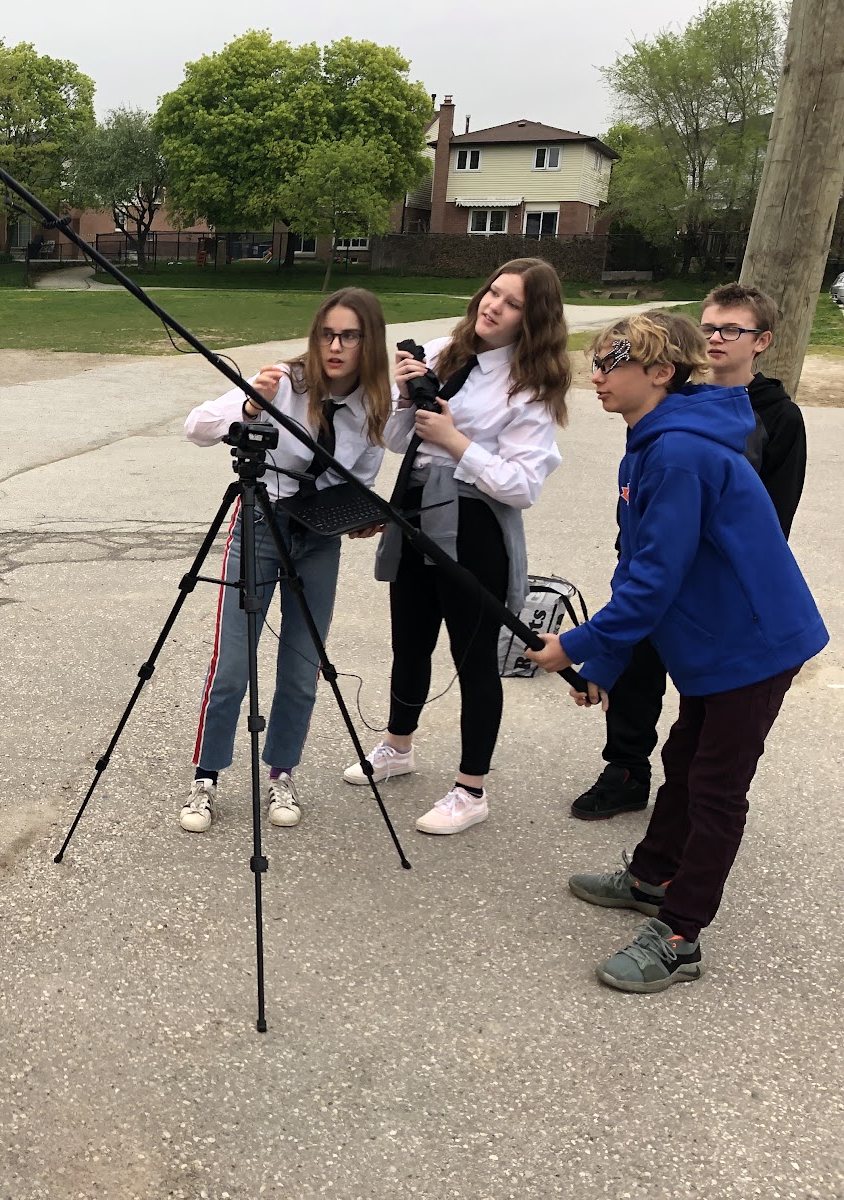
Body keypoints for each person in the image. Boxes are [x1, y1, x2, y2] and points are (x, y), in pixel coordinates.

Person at [527, 313, 826, 992]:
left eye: (612, 363)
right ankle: (651, 877)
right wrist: (602, 664)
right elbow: (638, 567)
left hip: (754, 645)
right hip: (714, 643)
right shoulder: (650, 443)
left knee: (717, 788)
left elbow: (654, 583)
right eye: (595, 361)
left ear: (661, 372)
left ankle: (682, 935)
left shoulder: (680, 454)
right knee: (683, 761)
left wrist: (574, 645)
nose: (595, 376)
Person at [345, 258, 570, 835]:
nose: (493, 306)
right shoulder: (445, 351)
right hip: (417, 508)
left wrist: (455, 440)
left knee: (473, 659)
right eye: (493, 292)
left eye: (513, 303)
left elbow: (523, 486)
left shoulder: (531, 385)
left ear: (534, 319)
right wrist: (404, 397)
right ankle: (398, 746)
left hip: (473, 525)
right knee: (410, 641)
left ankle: (471, 789)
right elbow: (400, 441)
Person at [570, 283, 809, 819]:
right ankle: (626, 768)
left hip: (710, 589)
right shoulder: (663, 416)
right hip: (656, 567)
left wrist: (574, 644)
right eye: (709, 327)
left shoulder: (769, 418)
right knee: (636, 672)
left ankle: (683, 832)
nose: (716, 337)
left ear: (761, 341)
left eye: (732, 329)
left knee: (704, 740)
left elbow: (772, 520)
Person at [181, 288, 390, 833]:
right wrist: (251, 406)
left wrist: (362, 516)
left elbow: (360, 479)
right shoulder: (284, 382)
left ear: (369, 342)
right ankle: (206, 777)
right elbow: (196, 427)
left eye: (349, 336)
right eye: (327, 334)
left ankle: (282, 773)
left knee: (301, 669)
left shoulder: (374, 404)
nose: (335, 347)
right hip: (261, 524)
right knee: (232, 665)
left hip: (319, 537)